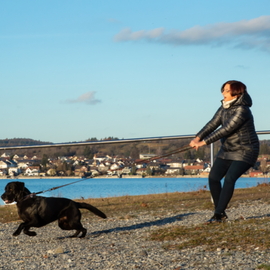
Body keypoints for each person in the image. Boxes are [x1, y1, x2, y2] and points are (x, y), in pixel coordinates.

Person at [189, 80, 259, 223]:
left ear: (236, 93)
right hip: (227, 150)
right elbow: (212, 124)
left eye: (226, 90)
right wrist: (197, 139)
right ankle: (220, 212)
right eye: (223, 90)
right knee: (213, 178)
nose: (223, 93)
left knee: (229, 178)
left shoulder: (243, 110)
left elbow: (226, 129)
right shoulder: (224, 107)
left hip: (246, 150)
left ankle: (218, 214)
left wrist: (204, 142)